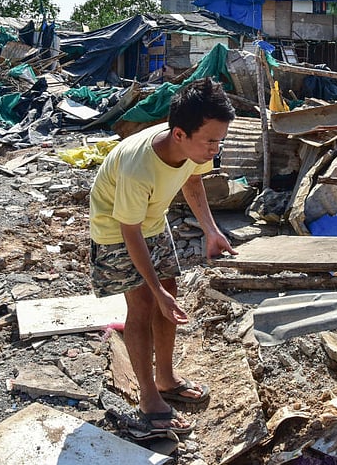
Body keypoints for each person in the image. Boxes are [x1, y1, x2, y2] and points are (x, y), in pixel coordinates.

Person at [89, 77, 238, 435]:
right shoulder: (138, 167)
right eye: (210, 141)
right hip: (116, 230)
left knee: (170, 294)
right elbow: (129, 231)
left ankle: (167, 377)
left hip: (152, 222)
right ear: (179, 135)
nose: (215, 149)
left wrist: (211, 230)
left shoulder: (194, 147)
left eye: (220, 140)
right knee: (143, 304)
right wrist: (155, 289)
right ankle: (149, 398)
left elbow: (193, 181)